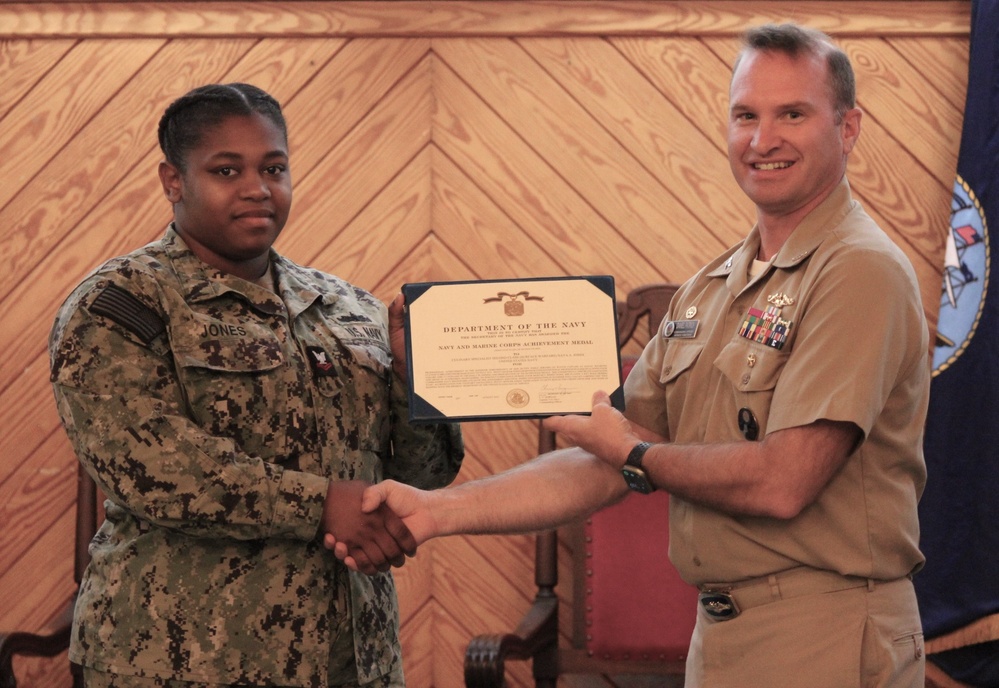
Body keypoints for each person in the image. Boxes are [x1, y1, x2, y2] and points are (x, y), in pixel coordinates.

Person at [331, 23, 930, 687]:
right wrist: (435, 511)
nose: (762, 140)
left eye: (792, 114)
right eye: (744, 115)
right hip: (724, 639)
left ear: (846, 128)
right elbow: (601, 460)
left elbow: (783, 481)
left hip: (826, 639)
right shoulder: (710, 288)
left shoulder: (857, 271)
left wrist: (636, 453)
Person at [48, 82, 463, 688]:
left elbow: (424, 475)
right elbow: (157, 471)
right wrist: (324, 503)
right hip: (180, 659)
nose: (257, 188)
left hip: (352, 658)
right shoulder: (121, 303)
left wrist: (412, 378)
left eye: (274, 167)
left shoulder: (349, 307)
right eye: (226, 169)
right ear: (173, 180)